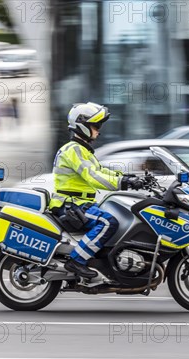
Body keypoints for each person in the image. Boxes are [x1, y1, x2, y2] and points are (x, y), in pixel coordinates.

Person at [50, 102, 144, 278]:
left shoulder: (82, 150)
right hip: (72, 205)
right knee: (109, 222)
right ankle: (76, 260)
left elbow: (101, 171)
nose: (98, 131)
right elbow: (93, 176)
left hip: (81, 204)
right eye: (95, 126)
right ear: (82, 126)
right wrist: (122, 183)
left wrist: (127, 177)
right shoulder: (74, 150)